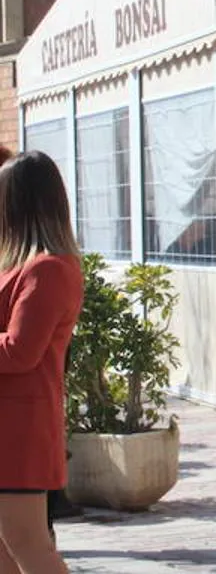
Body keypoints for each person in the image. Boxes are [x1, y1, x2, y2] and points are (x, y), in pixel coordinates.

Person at [0, 150, 83, 574]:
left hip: (20, 431)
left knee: (28, 545)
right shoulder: (23, 266)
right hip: (10, 427)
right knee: (5, 551)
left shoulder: (47, 269)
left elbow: (19, 351)